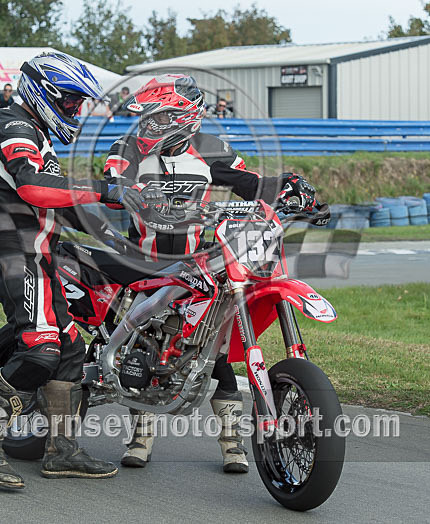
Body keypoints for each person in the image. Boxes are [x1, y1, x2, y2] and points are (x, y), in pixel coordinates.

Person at [103, 74, 328, 474]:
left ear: (184, 117)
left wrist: (290, 187)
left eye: (158, 118)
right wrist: (127, 192)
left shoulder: (211, 149)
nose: (148, 126)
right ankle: (140, 435)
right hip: (143, 261)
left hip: (198, 262)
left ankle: (232, 443)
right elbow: (113, 182)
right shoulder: (128, 148)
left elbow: (252, 185)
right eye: (148, 118)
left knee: (217, 355)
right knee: (145, 346)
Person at [0, 51, 165, 489]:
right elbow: (35, 187)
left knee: (72, 347)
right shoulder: (11, 124)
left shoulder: (39, 135)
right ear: (43, 92)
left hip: (40, 251)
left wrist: (111, 235)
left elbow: (60, 200)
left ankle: (61, 450)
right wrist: (105, 188)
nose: (74, 111)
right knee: (42, 347)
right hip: (9, 248)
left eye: (77, 104)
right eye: (70, 102)